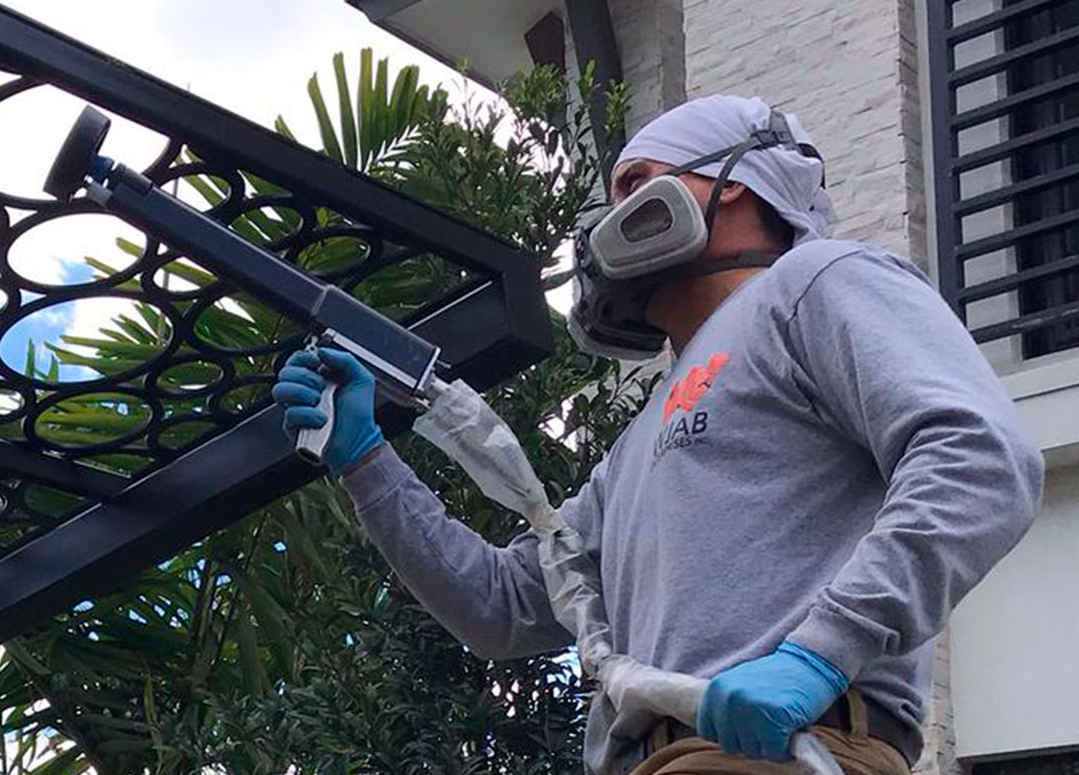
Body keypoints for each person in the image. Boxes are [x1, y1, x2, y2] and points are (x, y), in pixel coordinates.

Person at [272, 95, 1044, 775]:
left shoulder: (817, 282)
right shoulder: (634, 450)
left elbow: (979, 458)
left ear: (735, 181)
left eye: (635, 184)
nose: (610, 221)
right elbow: (499, 607)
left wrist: (819, 653)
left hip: (776, 751)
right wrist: (366, 459)